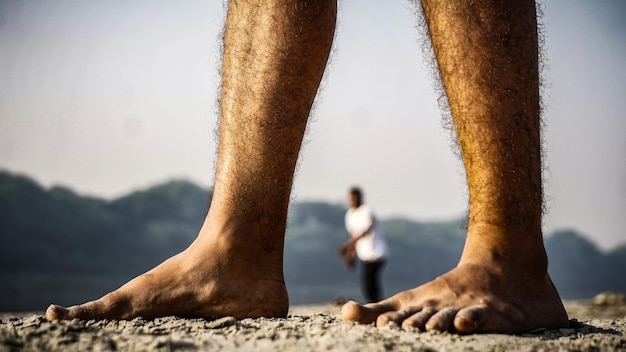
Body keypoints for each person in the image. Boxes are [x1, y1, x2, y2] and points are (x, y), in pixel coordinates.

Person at [45, 0, 569, 334]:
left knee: (368, 275)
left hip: (371, 251)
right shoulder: (356, 215)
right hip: (366, 251)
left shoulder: (362, 217)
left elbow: (367, 231)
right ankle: (235, 252)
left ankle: (508, 253)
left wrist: (347, 246)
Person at [340, 187, 388, 303]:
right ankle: (376, 304)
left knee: (370, 282)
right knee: (367, 284)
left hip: (377, 252)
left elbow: (365, 231)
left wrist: (347, 246)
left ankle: (378, 305)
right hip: (365, 254)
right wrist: (350, 255)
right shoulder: (350, 215)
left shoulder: (367, 211)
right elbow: (353, 236)